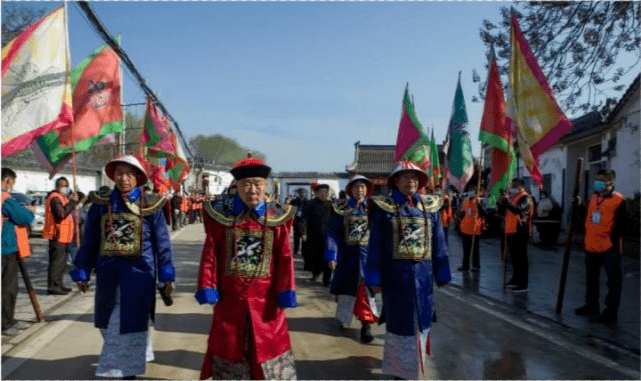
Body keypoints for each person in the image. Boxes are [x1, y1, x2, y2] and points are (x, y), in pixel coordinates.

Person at [69, 155, 175, 379]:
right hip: (108, 275)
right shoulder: (101, 204)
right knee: (107, 324)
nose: (123, 178)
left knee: (127, 324)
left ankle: (122, 372)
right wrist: (82, 270)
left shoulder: (150, 204)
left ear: (138, 177)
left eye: (129, 173)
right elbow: (90, 242)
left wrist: (167, 276)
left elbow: (162, 245)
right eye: (119, 173)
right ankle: (130, 360)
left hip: (139, 276)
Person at [196, 155, 297, 380]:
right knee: (230, 346)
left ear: (265, 187)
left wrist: (285, 290)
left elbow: (284, 257)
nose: (252, 190)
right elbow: (211, 253)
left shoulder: (276, 218)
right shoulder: (222, 216)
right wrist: (208, 285)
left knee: (270, 348)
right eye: (247, 184)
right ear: (237, 186)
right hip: (230, 299)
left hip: (267, 301)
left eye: (258, 185)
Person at [365, 161, 451, 380]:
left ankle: (414, 367)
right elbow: (374, 246)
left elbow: (439, 243)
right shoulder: (384, 209)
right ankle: (400, 372)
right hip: (396, 279)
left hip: (423, 278)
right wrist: (374, 276)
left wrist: (442, 272)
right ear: (396, 181)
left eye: (414, 177)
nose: (410, 181)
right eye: (405, 177)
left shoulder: (429, 208)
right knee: (400, 323)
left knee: (421, 320)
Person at [326, 175, 379, 343]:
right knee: (346, 291)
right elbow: (332, 233)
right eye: (356, 187)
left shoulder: (374, 208)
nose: (359, 190)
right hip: (346, 257)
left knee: (365, 292)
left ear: (367, 190)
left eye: (362, 187)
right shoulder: (340, 209)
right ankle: (343, 318)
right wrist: (331, 254)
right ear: (350, 190)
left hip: (367, 258)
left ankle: (366, 326)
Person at [575, 169, 627, 324]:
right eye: (597, 180)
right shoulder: (594, 197)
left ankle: (611, 311)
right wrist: (579, 206)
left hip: (609, 248)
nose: (597, 183)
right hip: (591, 246)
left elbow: (621, 226)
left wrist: (611, 242)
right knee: (591, 279)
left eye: (601, 180)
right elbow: (589, 215)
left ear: (610, 182)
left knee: (613, 282)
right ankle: (591, 305)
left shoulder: (619, 200)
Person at [1, 168, 35, 333]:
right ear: (7, 181)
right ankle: (6, 322)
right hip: (6, 250)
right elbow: (25, 218)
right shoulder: (5, 200)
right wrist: (30, 211)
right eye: (13, 182)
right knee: (8, 288)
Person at [43, 176, 79, 295]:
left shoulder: (63, 198)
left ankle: (58, 283)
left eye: (67, 185)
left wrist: (72, 201)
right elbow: (61, 214)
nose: (65, 188)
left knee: (62, 263)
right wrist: (72, 202)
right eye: (63, 185)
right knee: (56, 262)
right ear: (57, 186)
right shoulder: (55, 198)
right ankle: (53, 286)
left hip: (64, 236)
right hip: (57, 235)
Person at [498, 178, 533, 292]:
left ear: (522, 186)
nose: (513, 187)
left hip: (521, 231)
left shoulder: (525, 198)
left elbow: (517, 209)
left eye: (516, 185)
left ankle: (523, 283)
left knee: (521, 258)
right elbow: (504, 212)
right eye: (513, 185)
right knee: (514, 258)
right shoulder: (512, 197)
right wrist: (502, 203)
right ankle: (515, 279)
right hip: (510, 231)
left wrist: (508, 202)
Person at [301, 183, 333, 286]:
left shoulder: (331, 205)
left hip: (328, 236)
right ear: (316, 193)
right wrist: (304, 232)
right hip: (314, 235)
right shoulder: (310, 204)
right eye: (321, 192)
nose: (324, 194)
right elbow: (304, 219)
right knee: (315, 257)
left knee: (328, 257)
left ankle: (326, 280)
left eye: (326, 193)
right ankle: (315, 274)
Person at [458, 190, 486, 271]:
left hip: (475, 229)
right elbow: (462, 213)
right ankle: (465, 265)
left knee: (475, 249)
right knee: (466, 249)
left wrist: (479, 205)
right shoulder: (465, 201)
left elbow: (484, 213)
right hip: (465, 228)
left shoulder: (478, 202)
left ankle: (476, 265)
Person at [290, 188, 308, 255]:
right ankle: (295, 250)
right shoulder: (294, 201)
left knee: (304, 238)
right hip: (296, 221)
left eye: (303, 193)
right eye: (300, 193)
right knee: (296, 238)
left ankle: (304, 252)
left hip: (304, 222)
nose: (301, 194)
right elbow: (290, 210)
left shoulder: (307, 202)